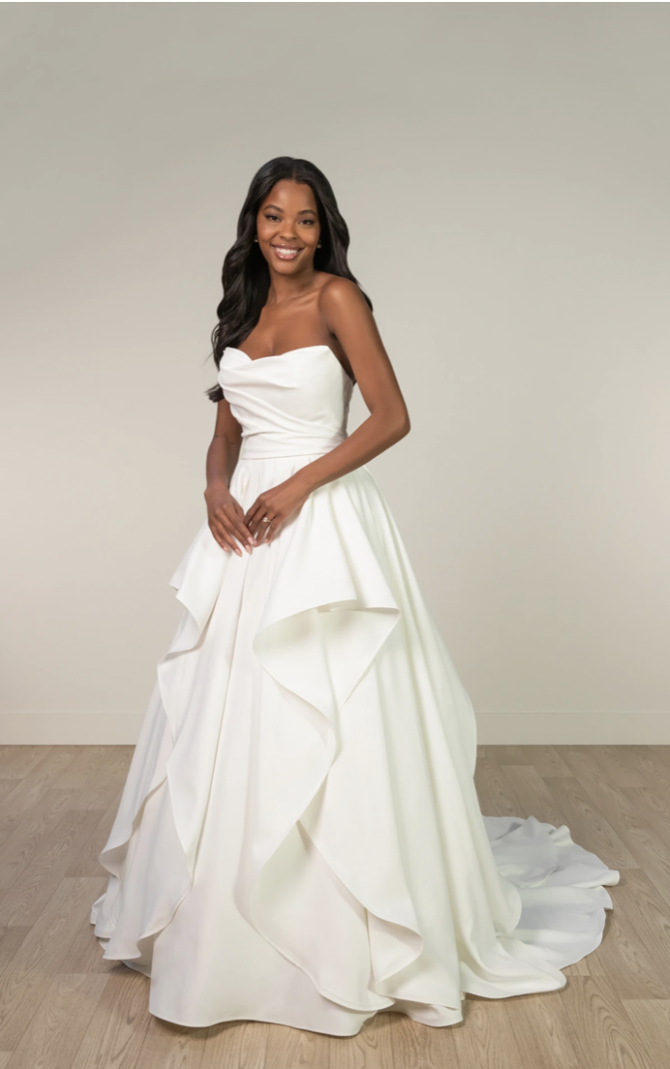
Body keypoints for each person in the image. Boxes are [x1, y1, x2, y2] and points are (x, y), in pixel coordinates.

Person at [90, 156, 620, 1037]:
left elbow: (390, 415)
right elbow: (224, 430)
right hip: (243, 534)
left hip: (321, 523)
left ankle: (351, 921)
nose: (287, 234)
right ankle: (218, 927)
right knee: (229, 718)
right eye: (272, 216)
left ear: (322, 225)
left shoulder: (339, 298)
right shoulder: (243, 310)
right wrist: (213, 490)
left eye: (303, 219)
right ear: (252, 223)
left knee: (333, 710)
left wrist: (297, 487)